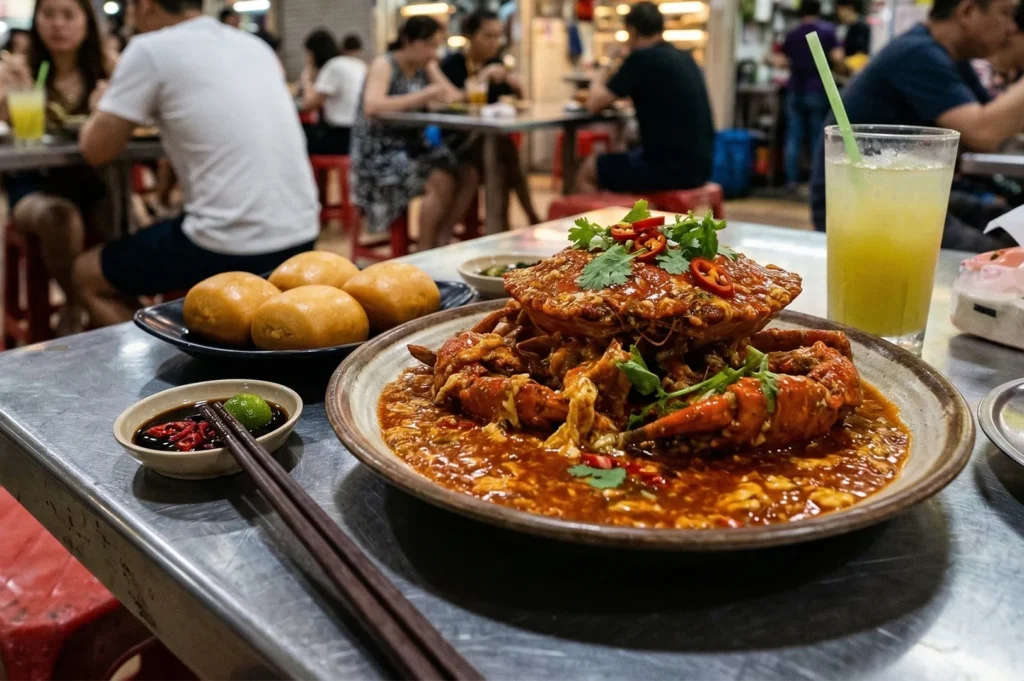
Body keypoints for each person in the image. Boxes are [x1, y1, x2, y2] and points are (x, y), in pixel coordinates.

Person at [74, 0, 319, 328]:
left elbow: (95, 150)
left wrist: (101, 103)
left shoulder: (149, 49)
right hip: (303, 235)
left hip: (228, 245)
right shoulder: (254, 46)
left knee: (86, 274)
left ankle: (166, 354)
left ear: (145, 5)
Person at [810, 0, 1024, 251]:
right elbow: (983, 133)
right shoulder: (916, 53)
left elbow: (1000, 126)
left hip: (909, 189)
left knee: (1005, 222)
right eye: (1006, 13)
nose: (1011, 27)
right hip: (861, 201)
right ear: (968, 11)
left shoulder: (950, 58)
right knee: (997, 256)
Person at [0, 0, 114, 335]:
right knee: (59, 217)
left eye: (68, 15)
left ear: (86, 22)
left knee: (120, 216)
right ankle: (78, 304)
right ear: (36, 21)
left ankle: (113, 309)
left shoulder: (106, 68)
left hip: (94, 180)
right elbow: (8, 131)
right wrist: (9, 95)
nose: (58, 24)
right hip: (32, 184)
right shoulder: (21, 68)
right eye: (48, 14)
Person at [351, 17, 478, 250]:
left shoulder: (424, 65)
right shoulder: (384, 63)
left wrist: (438, 74)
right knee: (441, 179)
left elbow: (453, 97)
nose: (434, 53)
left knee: (468, 173)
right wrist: (425, 95)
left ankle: (443, 239)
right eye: (430, 45)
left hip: (413, 147)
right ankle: (425, 251)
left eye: (437, 46)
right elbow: (372, 106)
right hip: (381, 153)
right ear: (409, 41)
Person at [577, 1, 714, 194]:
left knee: (589, 169)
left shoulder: (641, 58)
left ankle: (605, 214)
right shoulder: (685, 57)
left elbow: (593, 103)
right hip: (702, 168)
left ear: (631, 31)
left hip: (669, 170)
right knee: (623, 154)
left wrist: (607, 62)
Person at [440, 9, 540, 226]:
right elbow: (448, 103)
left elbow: (517, 102)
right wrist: (482, 78)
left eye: (497, 36)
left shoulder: (496, 63)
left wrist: (517, 85)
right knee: (503, 153)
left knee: (502, 153)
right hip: (458, 141)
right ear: (470, 36)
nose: (494, 42)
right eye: (488, 36)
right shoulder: (452, 64)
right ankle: (520, 220)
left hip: (487, 139)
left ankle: (505, 224)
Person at [777, 0, 841, 192]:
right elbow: (838, 57)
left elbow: (781, 60)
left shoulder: (793, 33)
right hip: (818, 89)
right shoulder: (828, 31)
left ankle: (791, 181)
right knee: (817, 138)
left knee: (793, 137)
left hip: (795, 88)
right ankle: (816, 183)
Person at [300, 28, 366, 154]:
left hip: (342, 134)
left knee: (299, 135)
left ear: (314, 53)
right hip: (360, 132)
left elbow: (309, 104)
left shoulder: (332, 66)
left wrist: (306, 78)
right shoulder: (356, 64)